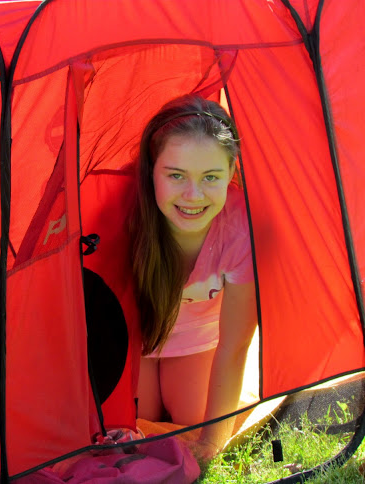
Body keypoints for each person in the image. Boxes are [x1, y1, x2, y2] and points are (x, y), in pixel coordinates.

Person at [130, 94, 258, 460]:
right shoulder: (125, 214)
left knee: (194, 421)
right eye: (176, 175)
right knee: (135, 420)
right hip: (136, 339)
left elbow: (234, 346)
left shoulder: (241, 230)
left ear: (232, 172)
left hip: (196, 340)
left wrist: (210, 445)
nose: (193, 195)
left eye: (210, 177)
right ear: (151, 170)